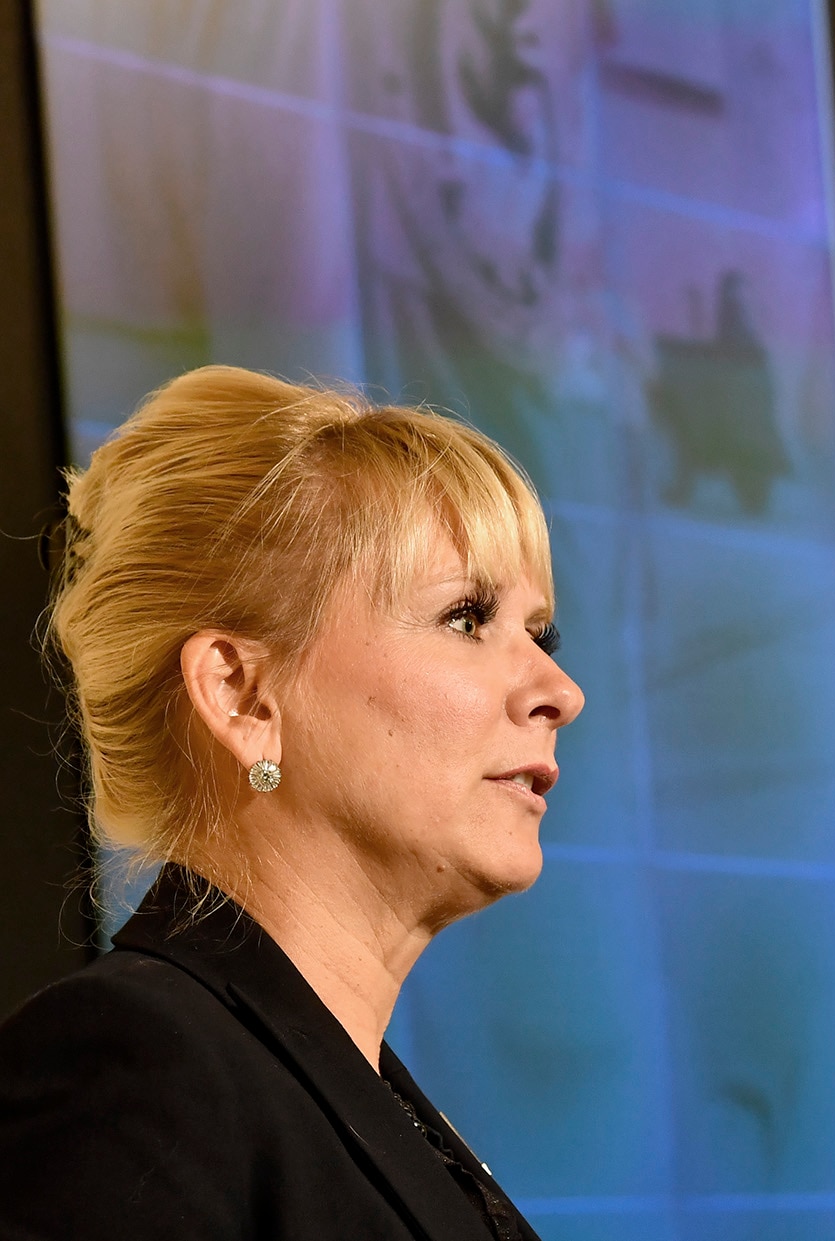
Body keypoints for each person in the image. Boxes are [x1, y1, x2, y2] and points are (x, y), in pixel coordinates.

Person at [0, 366, 585, 1240]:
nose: (560, 690)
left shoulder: (364, 1103)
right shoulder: (134, 1069)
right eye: (466, 618)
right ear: (242, 697)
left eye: (540, 634)